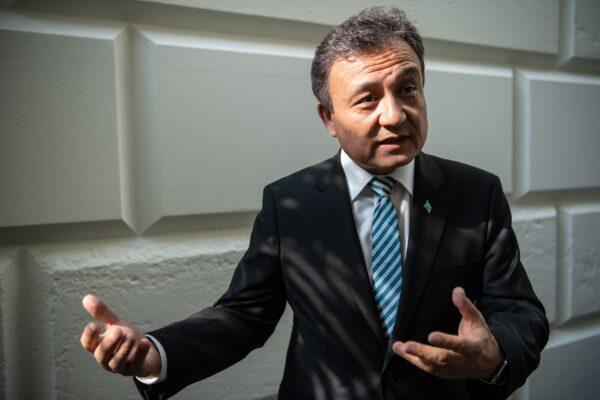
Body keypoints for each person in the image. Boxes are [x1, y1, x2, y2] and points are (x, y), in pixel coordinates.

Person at [80, 7, 548, 400]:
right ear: (328, 117)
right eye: (367, 99)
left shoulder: (476, 193)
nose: (395, 115)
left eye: (408, 88)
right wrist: (156, 354)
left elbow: (520, 313)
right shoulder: (290, 203)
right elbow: (244, 315)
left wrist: (495, 354)